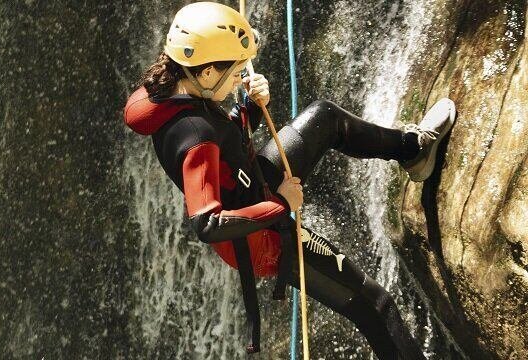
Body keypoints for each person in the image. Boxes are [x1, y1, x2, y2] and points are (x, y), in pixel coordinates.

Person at [123, 2, 456, 359]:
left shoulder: (168, 90)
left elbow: (228, 152)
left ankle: (413, 150)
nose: (240, 78)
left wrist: (248, 108)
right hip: (262, 238)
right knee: (374, 304)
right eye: (235, 72)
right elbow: (208, 223)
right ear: (206, 73)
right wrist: (282, 203)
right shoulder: (195, 136)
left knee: (326, 118)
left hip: (254, 186)